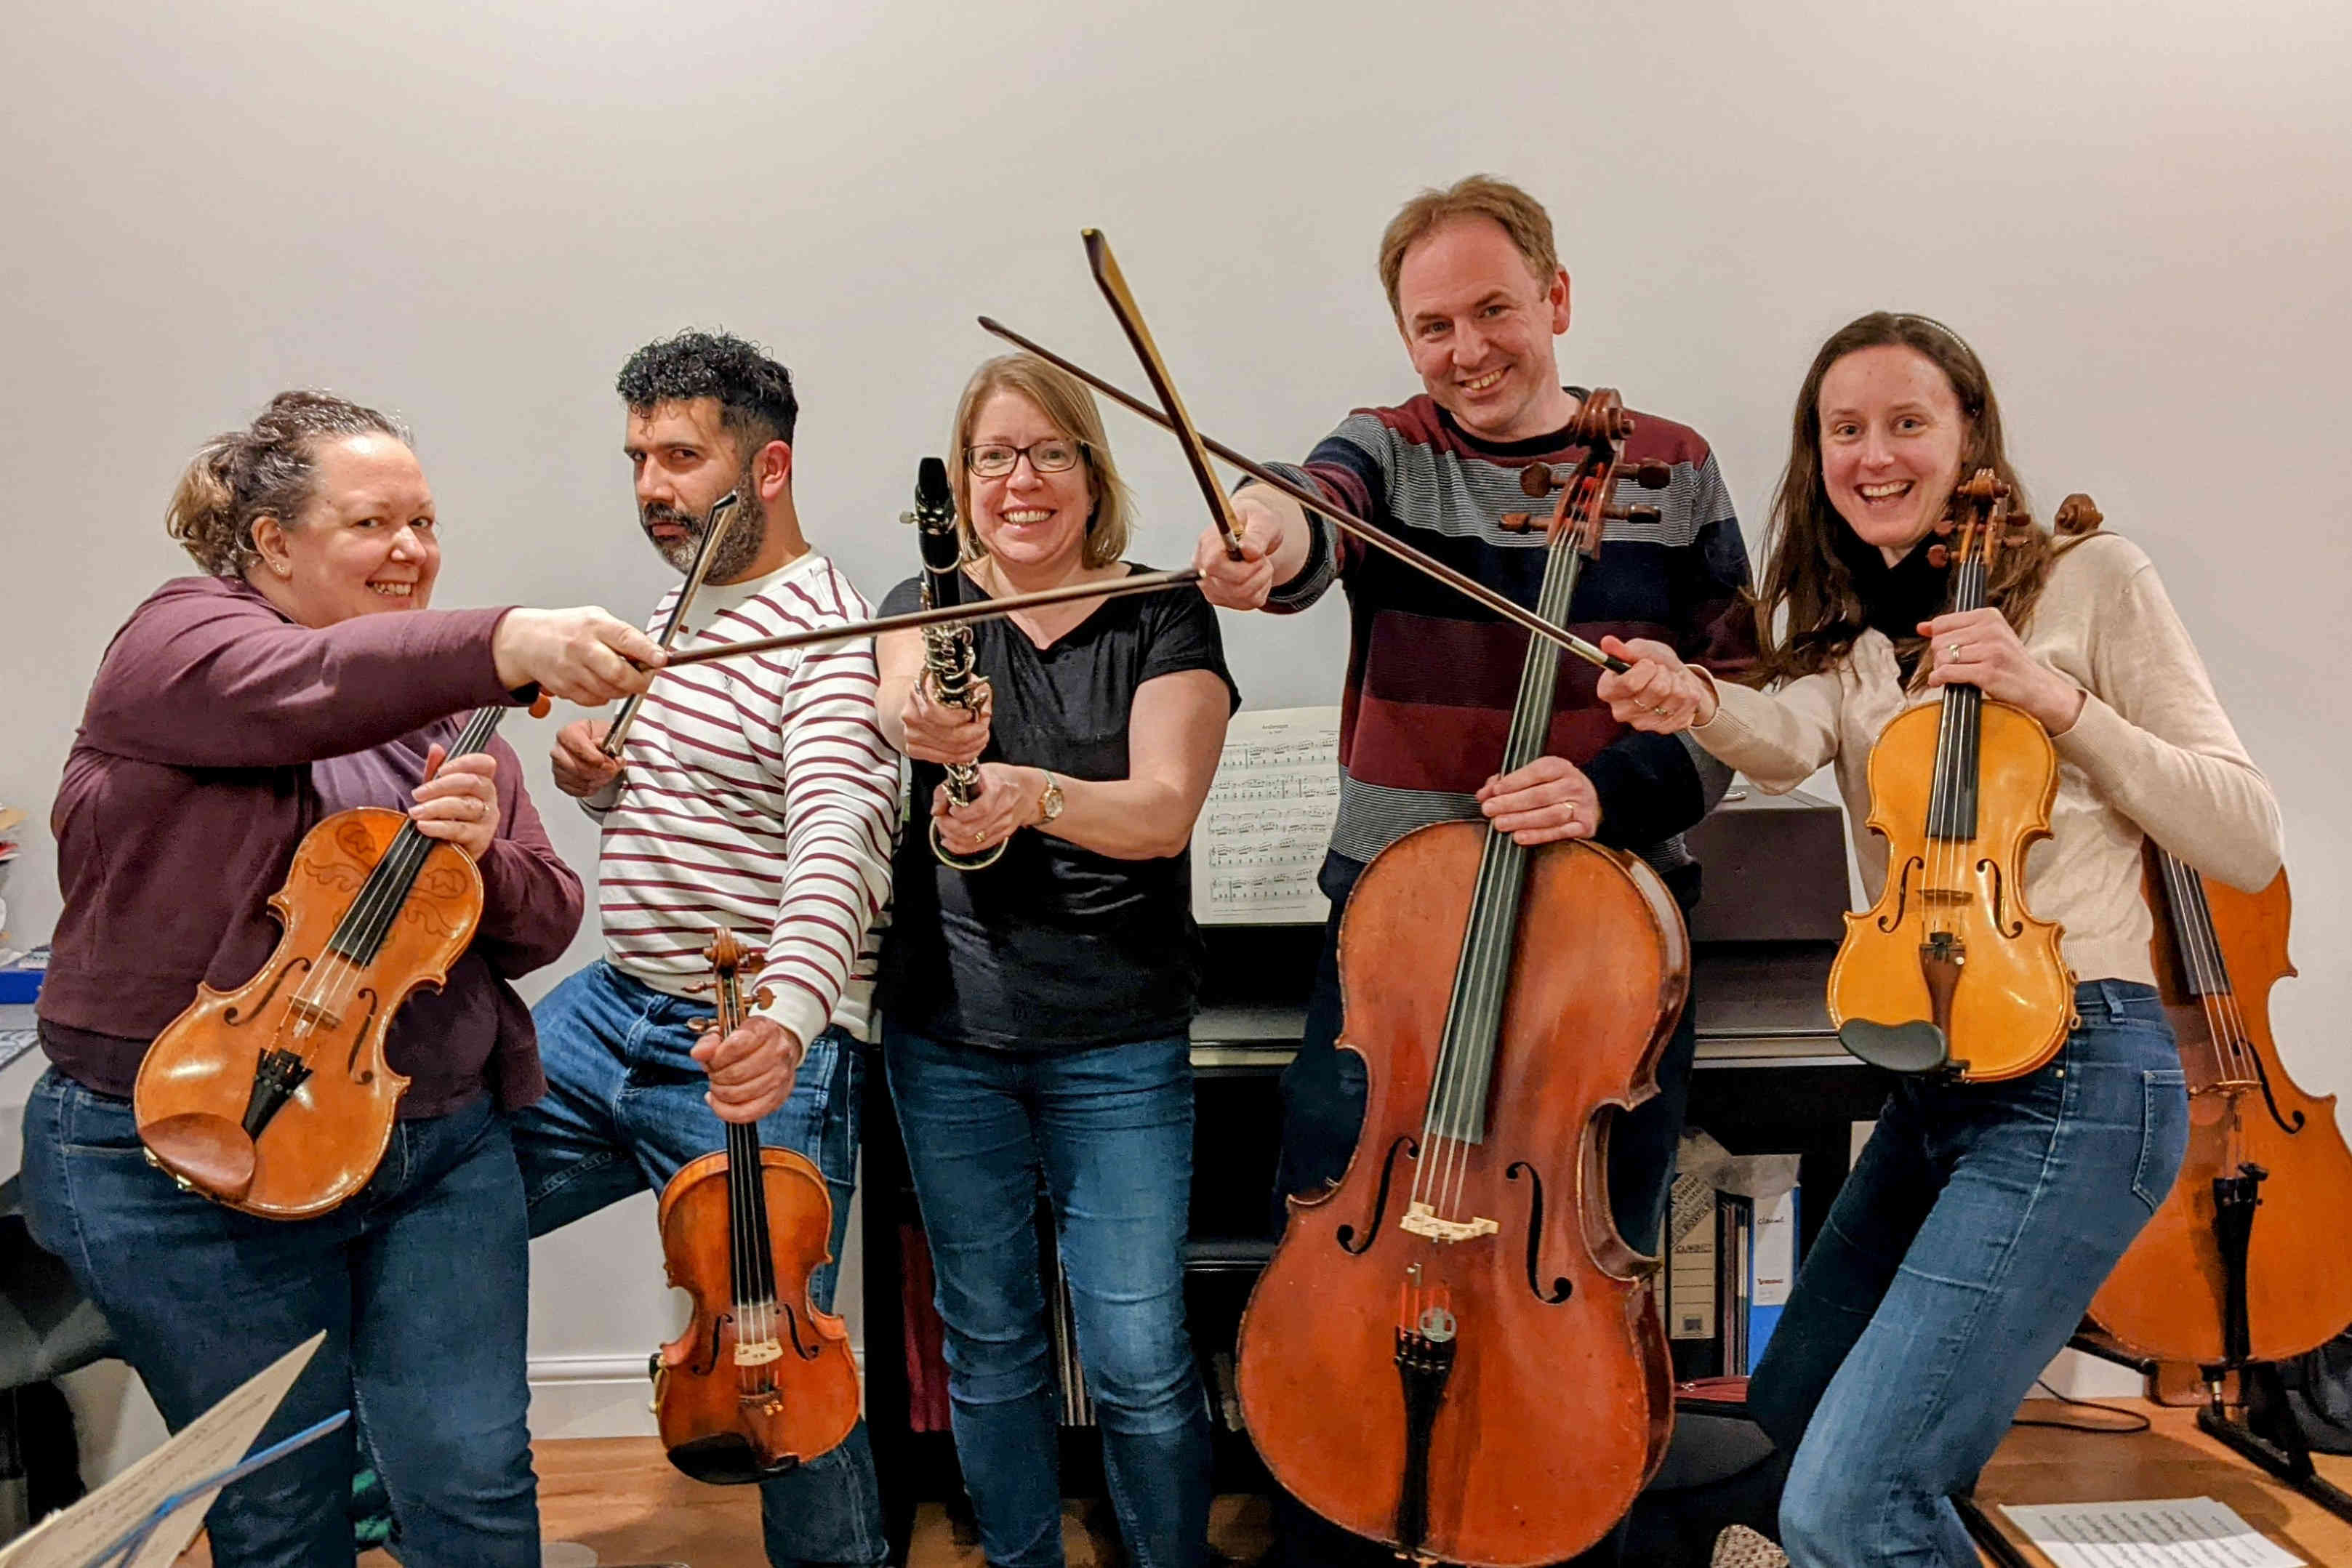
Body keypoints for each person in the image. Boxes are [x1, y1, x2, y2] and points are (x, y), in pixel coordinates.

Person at [1594, 311, 2284, 1567]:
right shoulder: (1860, 643)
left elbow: (2244, 832)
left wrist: (2056, 700)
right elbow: (1781, 734)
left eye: (1908, 421)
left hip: (2084, 1079)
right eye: (1844, 429)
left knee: (1850, 1505)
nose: (1874, 453)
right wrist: (1687, 695)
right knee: (1781, 1443)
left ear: (1970, 435)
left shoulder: (2090, 577)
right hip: (1933, 1085)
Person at [1189, 174, 1755, 1566]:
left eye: (1495, 309)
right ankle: (1342, 1520)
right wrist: (1269, 545)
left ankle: (1549, 1519)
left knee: (1582, 1252)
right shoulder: (1391, 449)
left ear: (1557, 301)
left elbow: (1737, 694)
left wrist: (1606, 792)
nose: (1468, 349)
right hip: (1398, 941)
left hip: (1602, 949)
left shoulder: (1670, 466)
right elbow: (1314, 511)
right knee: (1343, 1236)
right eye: (1433, 324)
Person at [22, 391, 662, 1567]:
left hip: (430, 1148)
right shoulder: (180, 644)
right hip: (200, 1143)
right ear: (271, 543)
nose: (413, 550)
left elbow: (542, 915)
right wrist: (512, 634)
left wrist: (485, 862)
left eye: (425, 521)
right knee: (283, 1505)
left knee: (474, 1476)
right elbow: (311, 685)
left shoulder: (449, 711)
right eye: (374, 523)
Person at [517, 331, 899, 1568]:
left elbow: (840, 833)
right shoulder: (676, 606)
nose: (650, 488)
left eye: (682, 457)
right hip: (614, 1008)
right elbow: (690, 805)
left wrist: (787, 1022)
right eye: (638, 456)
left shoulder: (825, 634)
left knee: (783, 1366)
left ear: (769, 467)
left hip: (754, 1035)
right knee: (422, 1182)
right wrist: (597, 781)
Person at [875, 353, 1237, 1568]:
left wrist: (1029, 793)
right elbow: (901, 710)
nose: (1019, 481)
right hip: (950, 1035)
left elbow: (1161, 812)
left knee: (1137, 1350)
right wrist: (928, 737)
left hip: (1119, 1034)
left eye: (1048, 453)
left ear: (1091, 469)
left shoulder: (1162, 610)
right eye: (992, 457)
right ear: (961, 482)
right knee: (989, 1339)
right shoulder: (921, 604)